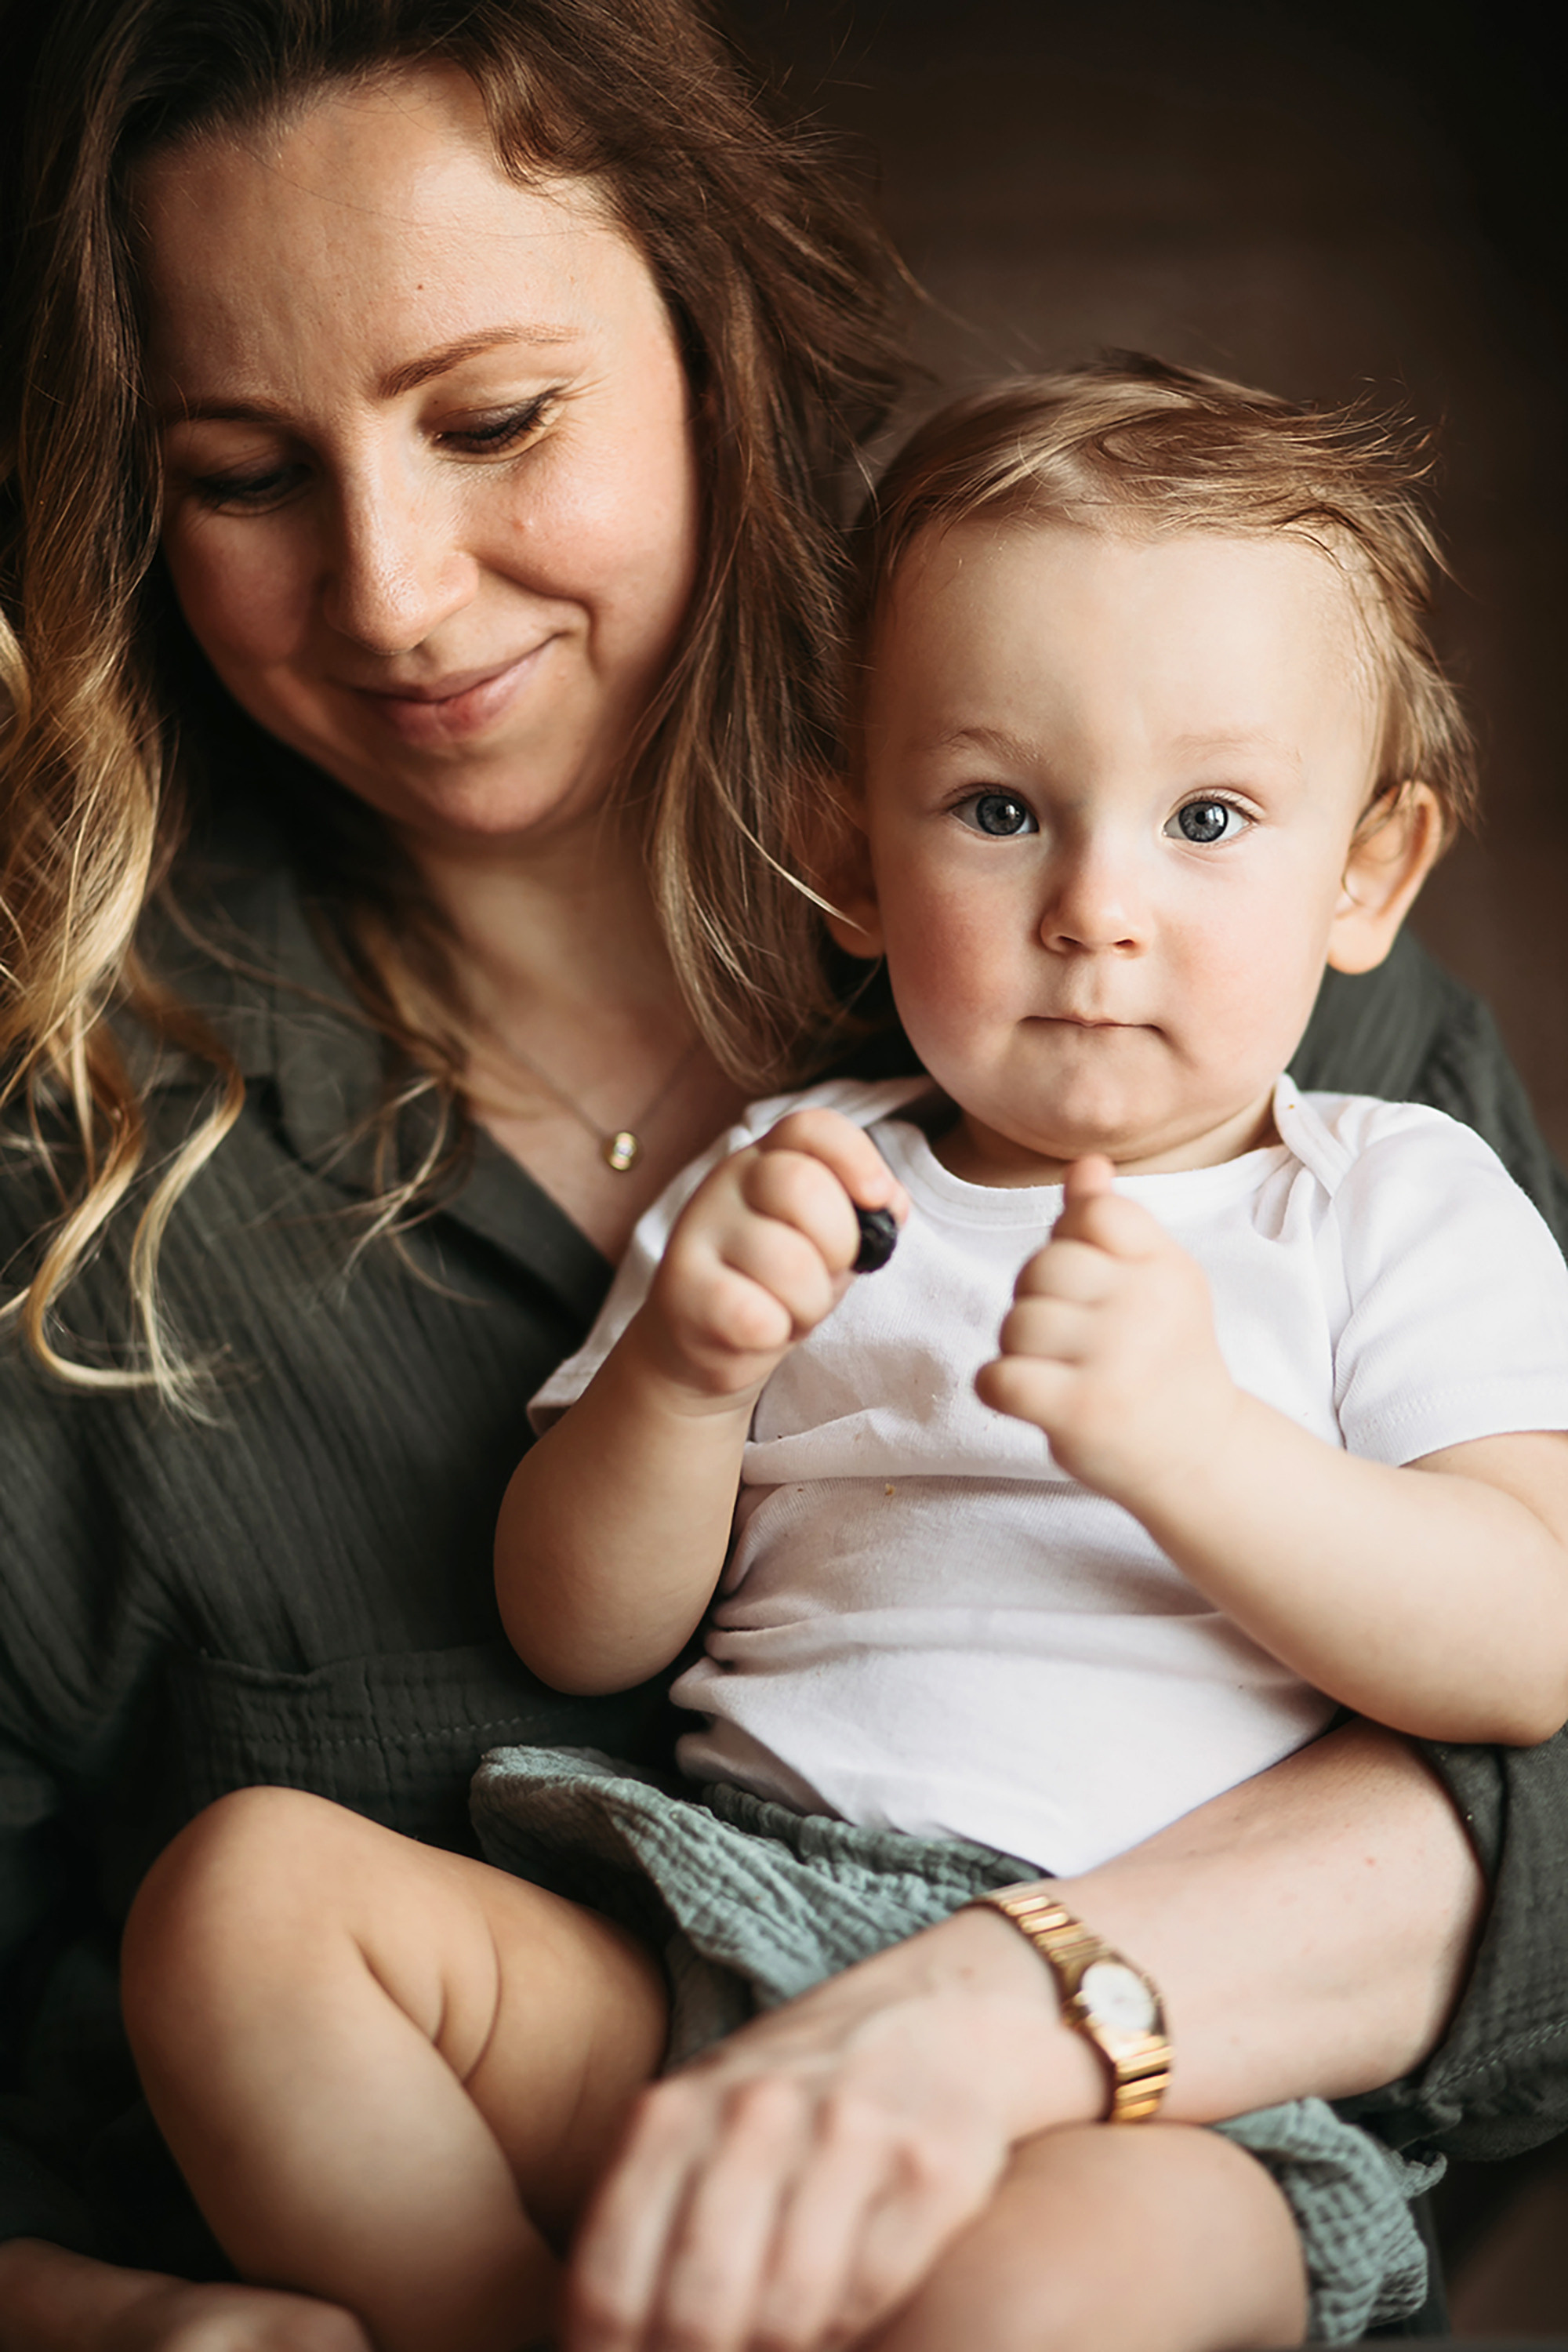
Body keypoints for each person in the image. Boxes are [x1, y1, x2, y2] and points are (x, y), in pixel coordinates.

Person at [0, 0, 1563, 2343]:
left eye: (494, 420)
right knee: (241, 1898)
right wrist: (682, 1370)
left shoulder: (1331, 1101)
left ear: (710, 353)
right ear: (851, 847)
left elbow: (1539, 1666)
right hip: (708, 1918)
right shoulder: (771, 1166)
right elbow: (580, 1621)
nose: (396, 589)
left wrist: (1185, 1470)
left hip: (1152, 2117)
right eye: (240, 472)